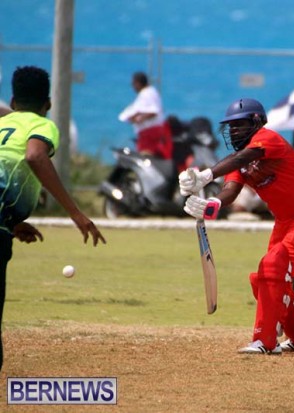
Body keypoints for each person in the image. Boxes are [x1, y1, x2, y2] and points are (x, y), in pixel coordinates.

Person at [179, 98, 294, 355]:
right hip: (285, 219)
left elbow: (247, 155)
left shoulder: (268, 138)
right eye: (230, 126)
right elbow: (230, 191)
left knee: (274, 265)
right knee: (263, 278)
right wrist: (210, 204)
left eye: (239, 125)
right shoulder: (237, 161)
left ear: (256, 122)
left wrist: (207, 175)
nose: (233, 131)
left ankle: (265, 341)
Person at [0, 66, 106, 371]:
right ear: (47, 103)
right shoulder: (42, 125)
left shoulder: (3, 124)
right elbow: (35, 155)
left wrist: (11, 222)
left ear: (13, 101)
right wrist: (76, 213)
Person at [118, 71, 172, 159]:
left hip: (150, 133)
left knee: (145, 157)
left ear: (138, 83)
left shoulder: (147, 93)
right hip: (151, 132)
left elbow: (153, 111)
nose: (133, 87)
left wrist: (138, 119)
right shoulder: (150, 92)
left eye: (133, 84)